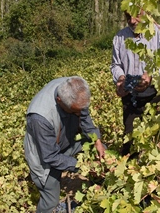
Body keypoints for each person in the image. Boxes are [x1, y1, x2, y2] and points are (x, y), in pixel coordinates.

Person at [24, 75, 108, 213]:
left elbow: (85, 118)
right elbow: (50, 156)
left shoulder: (75, 91)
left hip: (66, 140)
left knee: (97, 148)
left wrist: (97, 141)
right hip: (44, 156)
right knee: (50, 201)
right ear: (59, 101)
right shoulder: (40, 118)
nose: (79, 113)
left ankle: (99, 186)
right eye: (75, 111)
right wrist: (83, 166)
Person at [111, 9, 160, 137]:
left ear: (147, 12)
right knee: (130, 137)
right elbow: (116, 64)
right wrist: (120, 78)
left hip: (158, 93)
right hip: (131, 97)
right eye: (128, 17)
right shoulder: (119, 37)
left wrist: (151, 75)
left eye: (137, 15)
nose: (132, 21)